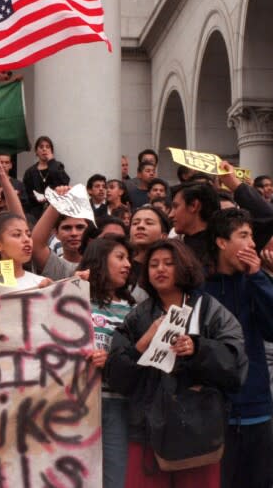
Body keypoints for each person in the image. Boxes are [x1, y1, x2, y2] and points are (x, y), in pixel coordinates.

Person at [106, 240, 247, 488]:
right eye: (153, 264)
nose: (160, 269)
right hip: (147, 432)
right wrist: (143, 342)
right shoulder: (138, 315)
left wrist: (198, 349)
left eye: (169, 264)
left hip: (198, 432)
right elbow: (117, 377)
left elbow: (236, 366)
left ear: (184, 267)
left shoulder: (210, 310)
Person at [204, 209, 273, 487]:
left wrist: (258, 278)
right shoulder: (201, 288)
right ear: (222, 242)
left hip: (258, 407)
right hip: (215, 413)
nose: (252, 244)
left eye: (252, 237)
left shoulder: (256, 282)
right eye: (243, 236)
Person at [77, 236, 136, 487]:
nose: (128, 265)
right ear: (100, 261)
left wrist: (111, 361)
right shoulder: (73, 298)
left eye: (129, 259)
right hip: (75, 403)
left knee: (115, 477)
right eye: (120, 257)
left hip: (116, 405)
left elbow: (138, 356)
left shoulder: (134, 309)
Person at [22, 136, 70, 220]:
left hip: (55, 208)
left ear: (51, 151)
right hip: (36, 212)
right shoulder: (30, 172)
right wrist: (36, 197)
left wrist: (51, 162)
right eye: (41, 147)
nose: (44, 149)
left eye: (47, 147)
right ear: (36, 151)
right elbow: (26, 192)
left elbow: (64, 181)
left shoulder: (57, 166)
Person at [171, 182, 220, 262]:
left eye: (176, 206)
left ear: (194, 205)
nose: (171, 215)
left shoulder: (221, 252)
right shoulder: (175, 246)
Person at [129, 205, 170, 288]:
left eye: (149, 223)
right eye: (135, 223)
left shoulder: (170, 270)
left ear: (164, 236)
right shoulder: (122, 267)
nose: (140, 226)